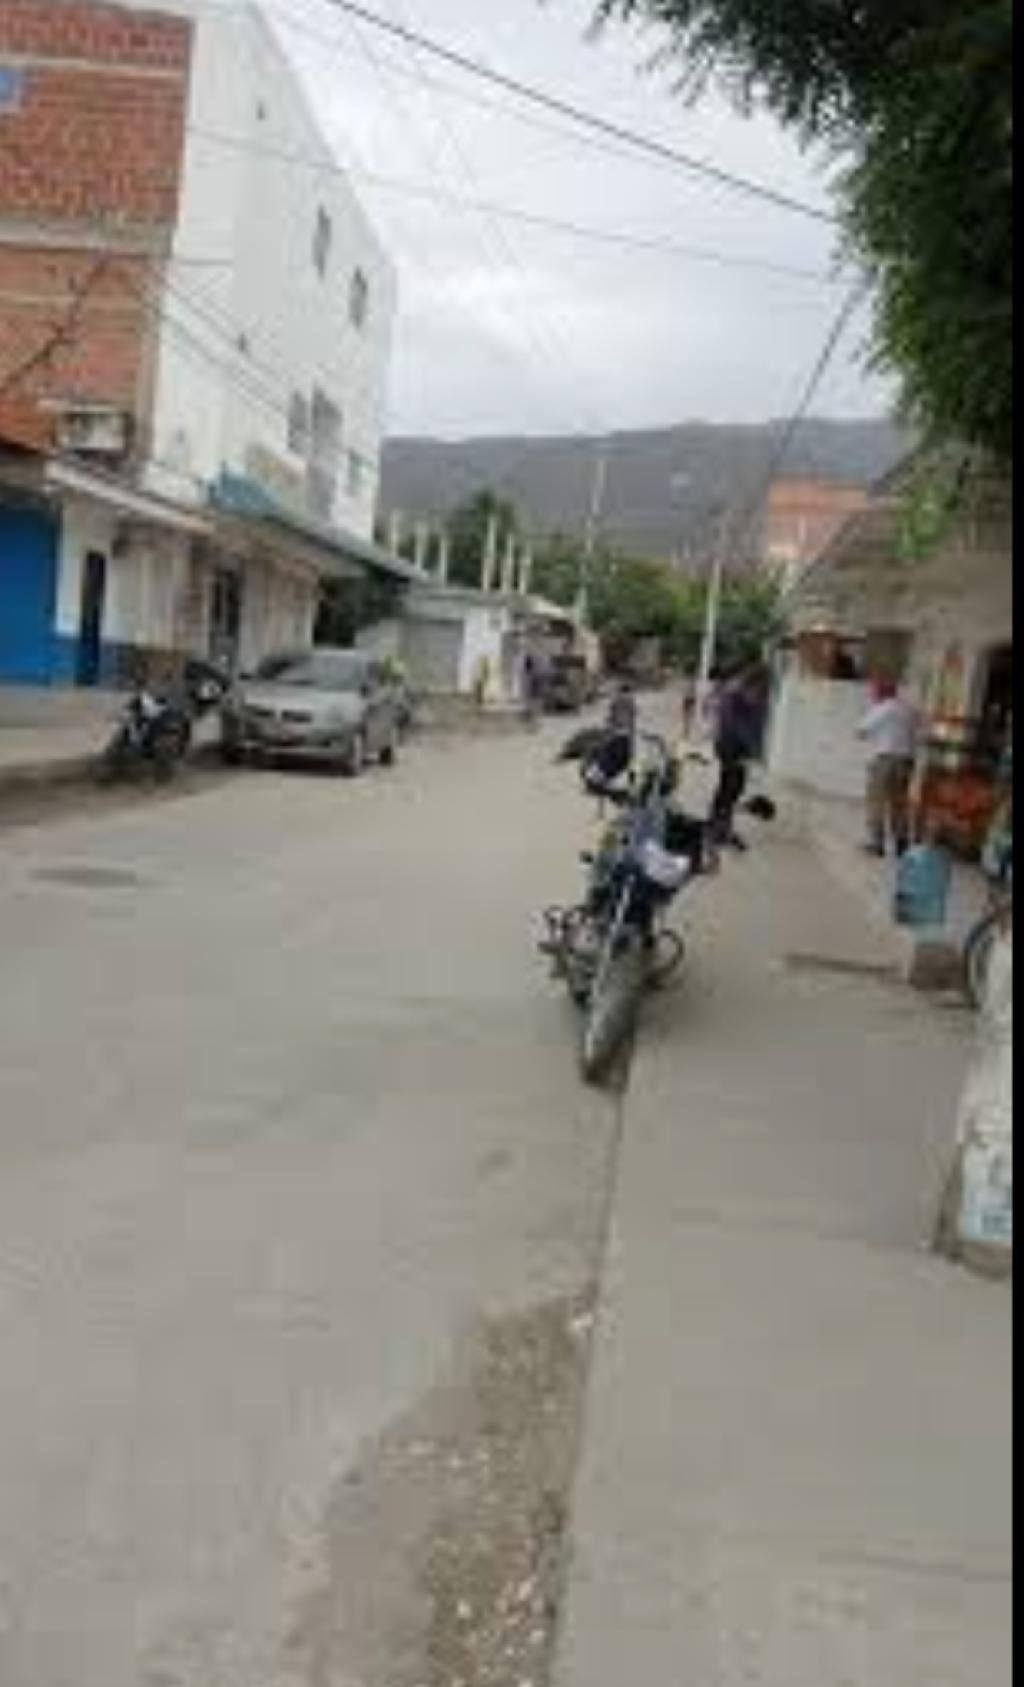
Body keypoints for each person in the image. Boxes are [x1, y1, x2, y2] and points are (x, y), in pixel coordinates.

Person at [856, 677, 920, 857]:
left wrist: (874, 734)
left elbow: (860, 731)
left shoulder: (882, 709)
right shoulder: (909, 710)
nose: (872, 694)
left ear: (880, 692)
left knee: (876, 801)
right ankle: (901, 843)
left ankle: (877, 842)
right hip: (906, 761)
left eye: (874, 691)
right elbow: (918, 731)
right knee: (899, 802)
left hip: (885, 760)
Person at [708, 663, 768, 850]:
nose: (761, 692)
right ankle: (719, 831)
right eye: (761, 687)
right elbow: (734, 725)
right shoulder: (736, 694)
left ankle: (720, 827)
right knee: (730, 789)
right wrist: (748, 749)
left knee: (730, 788)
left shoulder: (735, 693)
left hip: (731, 748)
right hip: (732, 749)